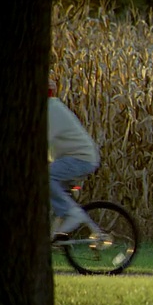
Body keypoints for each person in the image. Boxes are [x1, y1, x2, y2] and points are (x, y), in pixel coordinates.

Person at [48, 79, 100, 236]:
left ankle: (71, 214)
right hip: (72, 158)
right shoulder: (51, 107)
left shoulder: (52, 110)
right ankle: (56, 231)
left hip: (80, 159)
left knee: (45, 177)